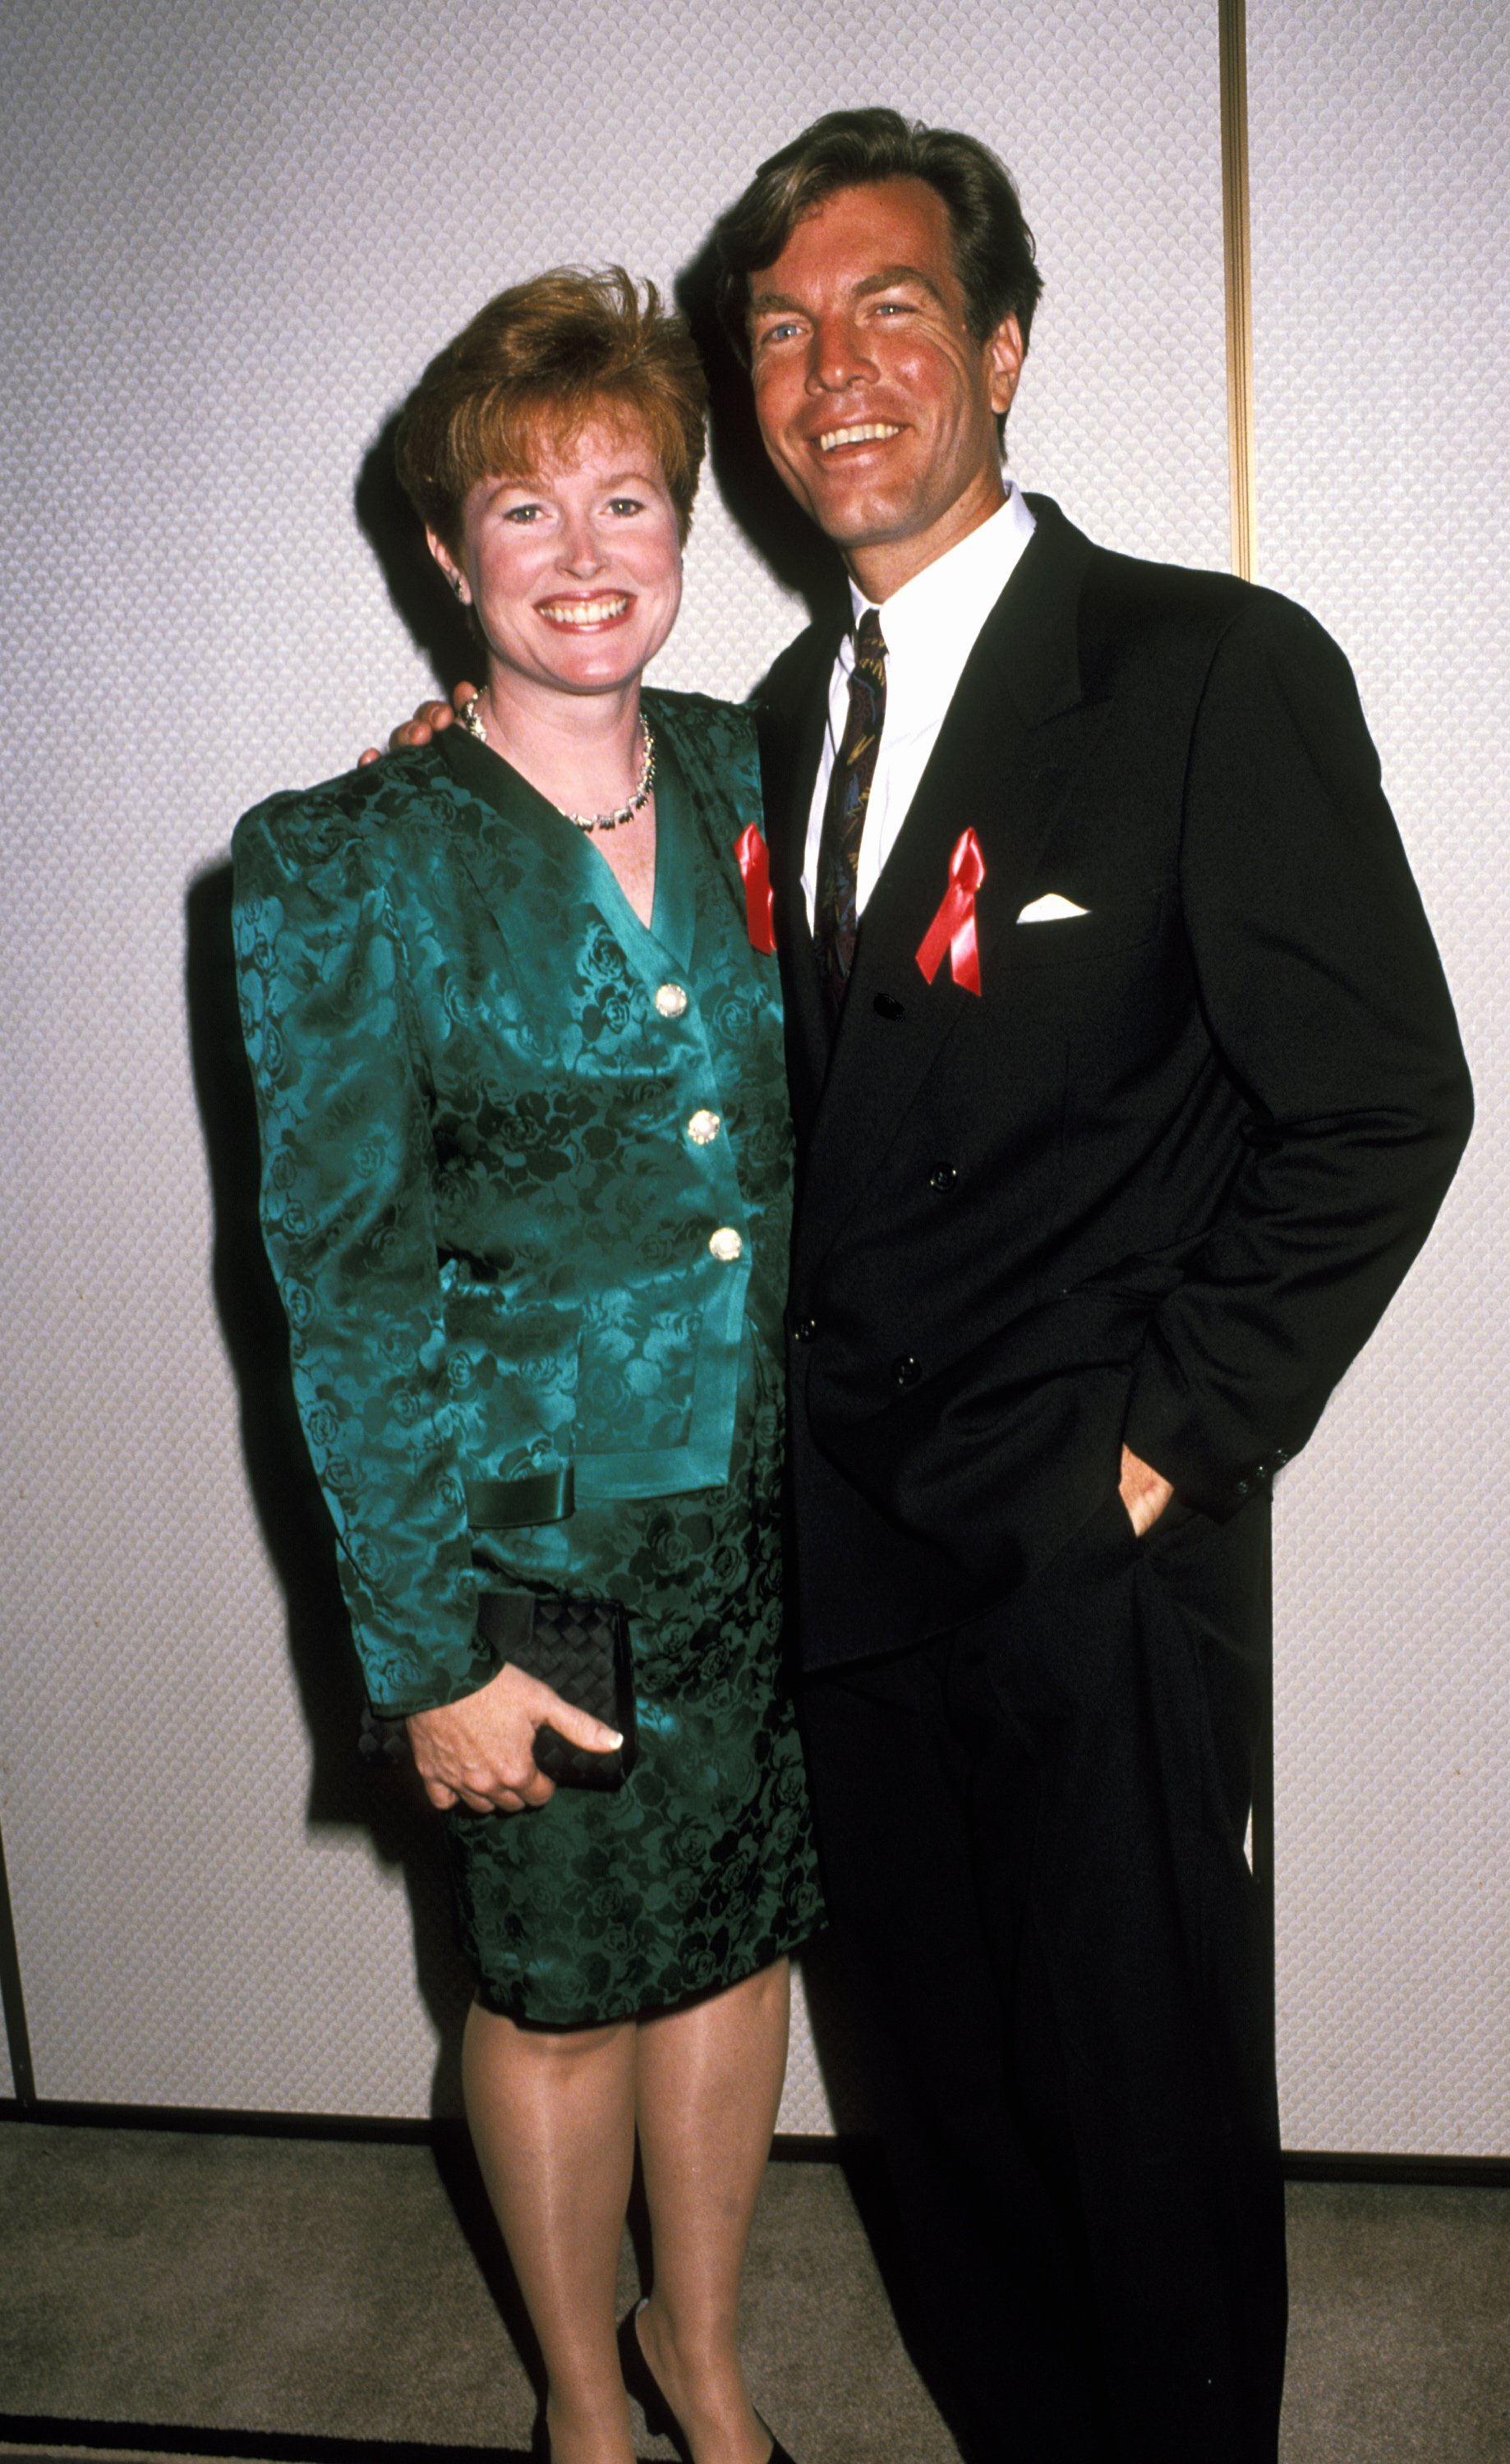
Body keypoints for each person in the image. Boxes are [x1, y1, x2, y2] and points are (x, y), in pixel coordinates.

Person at [388, 108, 1474, 2464]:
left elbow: (1383, 1101)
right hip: (837, 1555)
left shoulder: (1204, 671)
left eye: (889, 308)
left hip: (1090, 1546)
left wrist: (1163, 1448)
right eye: (778, 331)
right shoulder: (753, 745)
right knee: (938, 2117)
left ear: (999, 348)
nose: (831, 365)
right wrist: (456, 792)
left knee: (1140, 2111)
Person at [234, 266, 819, 2464]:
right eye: (522, 511)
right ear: (442, 553)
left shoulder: (770, 776)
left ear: (687, 530)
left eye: (629, 503)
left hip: (766, 1517)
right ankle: (585, 2403)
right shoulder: (342, 865)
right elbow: (344, 1280)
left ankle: (710, 2356)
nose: (585, 557)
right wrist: (424, 1654)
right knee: (561, 1991)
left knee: (737, 1949)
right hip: (528, 1556)